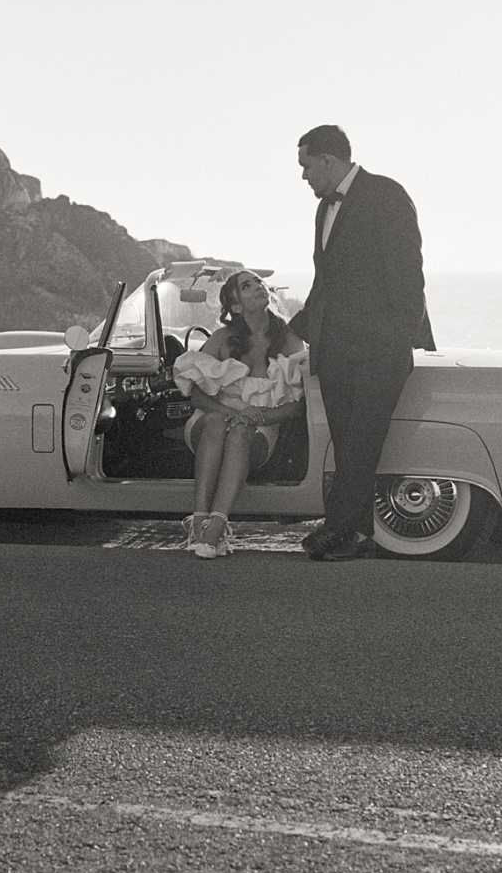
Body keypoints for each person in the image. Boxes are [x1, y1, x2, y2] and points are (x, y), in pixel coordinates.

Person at [289, 124, 435, 561]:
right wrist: (293, 332)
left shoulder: (386, 195)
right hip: (334, 351)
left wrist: (395, 343)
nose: (303, 177)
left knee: (361, 444)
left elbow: (409, 275)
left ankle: (340, 531)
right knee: (347, 445)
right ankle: (352, 532)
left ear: (330, 161)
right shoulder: (323, 211)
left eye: (307, 166)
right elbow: (326, 282)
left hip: (378, 352)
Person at [172, 269, 307, 558]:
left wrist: (258, 416)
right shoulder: (222, 338)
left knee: (241, 432)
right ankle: (199, 522)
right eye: (247, 286)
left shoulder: (290, 339)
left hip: (260, 424)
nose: (258, 286)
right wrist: (226, 411)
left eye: (258, 282)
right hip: (211, 420)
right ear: (235, 306)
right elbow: (196, 393)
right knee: (218, 422)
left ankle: (216, 526)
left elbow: (299, 403)